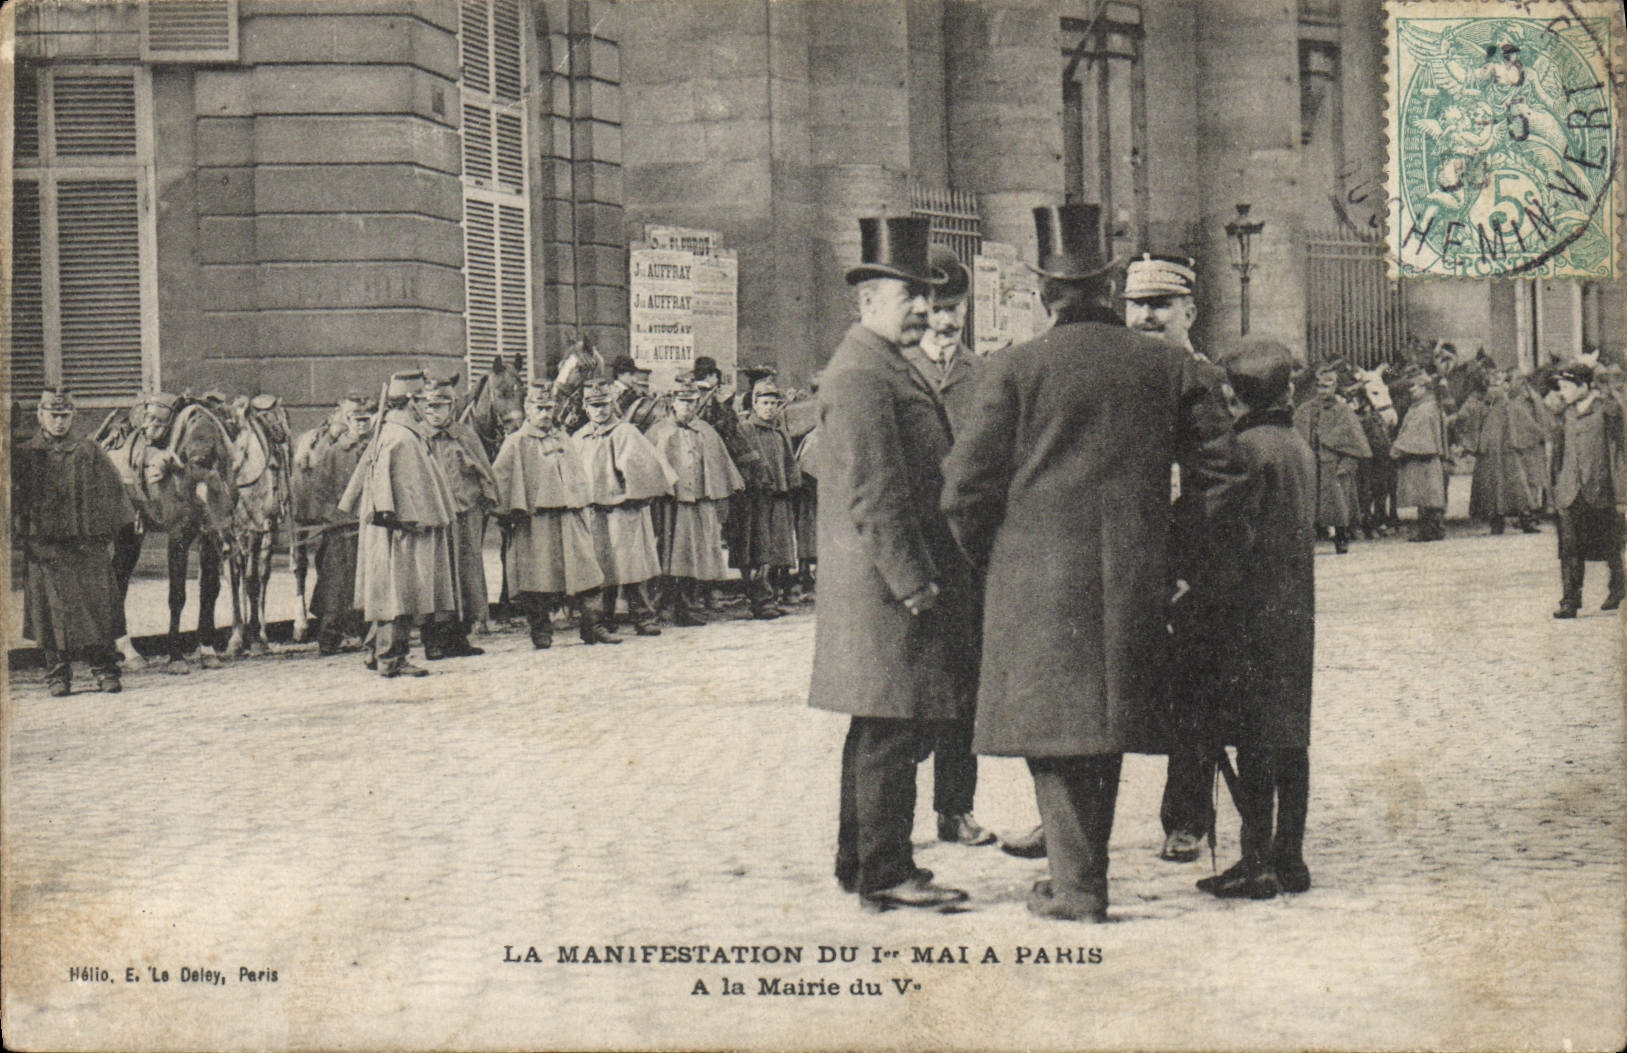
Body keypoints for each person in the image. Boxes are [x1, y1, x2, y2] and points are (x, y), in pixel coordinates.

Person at [940, 204, 1242, 922]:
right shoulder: (1169, 366)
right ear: (1110, 287)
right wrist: (1175, 554)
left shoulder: (1012, 368)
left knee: (1052, 729)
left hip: (1032, 580)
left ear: (1044, 294)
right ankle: (1080, 875)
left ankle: (1077, 886)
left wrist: (995, 557)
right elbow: (1221, 476)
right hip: (1133, 576)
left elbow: (961, 490)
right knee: (1102, 720)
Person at [808, 214, 980, 911]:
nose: (920, 308)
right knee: (892, 726)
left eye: (927, 294)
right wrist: (914, 584)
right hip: (887, 586)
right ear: (867, 299)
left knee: (876, 725)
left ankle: (859, 859)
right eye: (907, 293)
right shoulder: (862, 374)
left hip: (880, 582)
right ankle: (886, 869)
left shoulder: (877, 364)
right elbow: (873, 492)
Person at [1195, 340, 1318, 899]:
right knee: (1291, 737)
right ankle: (1290, 858)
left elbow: (1228, 543)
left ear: (1234, 396)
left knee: (1253, 739)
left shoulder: (1244, 451)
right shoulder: (1295, 445)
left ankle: (1256, 861)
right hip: (1293, 612)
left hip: (1248, 617)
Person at [1120, 251, 1227, 866]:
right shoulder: (1117, 377)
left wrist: (1193, 567)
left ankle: (1186, 819)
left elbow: (1219, 483)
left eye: (1161, 305)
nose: (1148, 317)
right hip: (1125, 558)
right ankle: (1069, 820)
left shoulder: (1208, 379)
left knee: (1193, 693)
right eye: (1137, 305)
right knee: (1095, 689)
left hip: (1186, 567)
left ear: (1190, 309)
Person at [899, 243, 994, 849]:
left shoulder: (984, 375)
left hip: (967, 557)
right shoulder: (896, 369)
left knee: (964, 688)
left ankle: (955, 809)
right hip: (912, 553)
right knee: (904, 694)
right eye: (936, 306)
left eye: (955, 306)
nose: (946, 319)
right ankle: (894, 821)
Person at [13, 389, 136, 696]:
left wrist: (105, 534)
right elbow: (14, 501)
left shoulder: (88, 451)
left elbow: (113, 493)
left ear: (73, 417)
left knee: (97, 610)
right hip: (45, 551)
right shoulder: (27, 454)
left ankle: (105, 670)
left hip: (86, 550)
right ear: (40, 415)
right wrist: (24, 536)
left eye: (64, 416)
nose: (58, 422)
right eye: (53, 415)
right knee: (50, 614)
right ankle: (57, 675)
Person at [340, 371, 459, 677]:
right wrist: (410, 521)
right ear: (409, 401)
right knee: (398, 593)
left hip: (400, 527)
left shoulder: (399, 433)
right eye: (420, 399)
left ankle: (375, 651)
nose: (425, 405)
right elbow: (397, 490)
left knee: (391, 592)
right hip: (403, 530)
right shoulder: (401, 437)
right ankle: (391, 658)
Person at [490, 383, 608, 648]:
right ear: (528, 410)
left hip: (569, 517)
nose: (545, 413)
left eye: (549, 408)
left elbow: (578, 476)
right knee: (538, 578)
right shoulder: (516, 442)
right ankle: (541, 632)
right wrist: (508, 513)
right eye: (539, 408)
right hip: (536, 521)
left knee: (586, 572)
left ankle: (593, 627)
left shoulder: (563, 438)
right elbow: (499, 479)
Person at [575, 379, 677, 638]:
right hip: (594, 512)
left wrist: (634, 494)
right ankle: (605, 619)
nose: (600, 410)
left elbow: (646, 467)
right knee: (602, 567)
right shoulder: (579, 438)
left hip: (625, 510)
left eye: (604, 404)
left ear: (612, 405)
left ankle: (643, 616)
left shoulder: (626, 432)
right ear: (585, 408)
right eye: (594, 406)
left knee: (633, 566)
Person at [645, 376, 744, 626]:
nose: (687, 406)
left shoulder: (706, 432)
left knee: (695, 553)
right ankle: (661, 603)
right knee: (669, 553)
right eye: (682, 401)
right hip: (672, 504)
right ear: (673, 403)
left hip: (700, 502)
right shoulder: (659, 432)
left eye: (692, 402)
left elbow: (720, 464)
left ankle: (687, 605)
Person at [420, 375, 498, 660]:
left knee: (466, 576)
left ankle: (460, 636)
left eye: (440, 407)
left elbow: (484, 472)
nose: (434, 413)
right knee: (437, 579)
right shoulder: (417, 438)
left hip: (465, 517)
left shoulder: (464, 435)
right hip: (433, 523)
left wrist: (484, 499)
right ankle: (434, 639)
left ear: (452, 407)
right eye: (428, 407)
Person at [1550, 362, 1625, 618]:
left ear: (1583, 387)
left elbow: (1620, 449)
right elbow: (1558, 454)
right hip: (1570, 490)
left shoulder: (1606, 410)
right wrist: (1557, 486)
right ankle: (1570, 600)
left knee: (1609, 543)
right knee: (1569, 546)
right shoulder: (1565, 414)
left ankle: (1618, 586)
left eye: (1567, 387)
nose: (1562, 392)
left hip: (1599, 488)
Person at [303, 393, 376, 654]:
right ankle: (328, 636)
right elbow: (320, 493)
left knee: (370, 584)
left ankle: (370, 634)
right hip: (340, 531)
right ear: (347, 420)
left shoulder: (377, 451)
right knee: (334, 585)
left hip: (370, 529)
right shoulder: (334, 453)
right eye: (357, 419)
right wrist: (333, 516)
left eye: (366, 420)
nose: (362, 425)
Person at [732, 378, 802, 620]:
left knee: (778, 551)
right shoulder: (746, 429)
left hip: (779, 498)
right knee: (759, 551)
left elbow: (790, 464)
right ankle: (760, 601)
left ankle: (771, 597)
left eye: (773, 403)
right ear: (755, 404)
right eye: (765, 403)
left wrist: (791, 485)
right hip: (757, 501)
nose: (770, 408)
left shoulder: (778, 431)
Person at [1293, 363, 1372, 554]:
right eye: (1319, 386)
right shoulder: (1304, 410)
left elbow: (1356, 444)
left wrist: (1347, 465)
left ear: (1335, 387)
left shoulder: (1344, 411)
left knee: (1338, 505)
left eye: (1327, 386)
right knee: (1307, 505)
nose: (1322, 391)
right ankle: (1308, 540)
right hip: (1310, 466)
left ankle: (1341, 536)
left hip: (1333, 467)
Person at [1468, 369, 1542, 535]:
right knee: (1516, 484)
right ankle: (1525, 519)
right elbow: (1526, 422)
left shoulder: (1490, 401)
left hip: (1493, 448)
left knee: (1494, 485)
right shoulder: (1506, 401)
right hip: (1506, 449)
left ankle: (1498, 522)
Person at [1392, 372, 1449, 542]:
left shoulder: (1424, 409)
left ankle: (1429, 530)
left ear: (1424, 388)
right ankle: (1434, 528)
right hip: (1428, 457)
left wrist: (1397, 448)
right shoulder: (1427, 406)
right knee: (1430, 495)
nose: (1411, 390)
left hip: (1423, 457)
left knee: (1426, 495)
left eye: (1414, 386)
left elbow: (1415, 432)